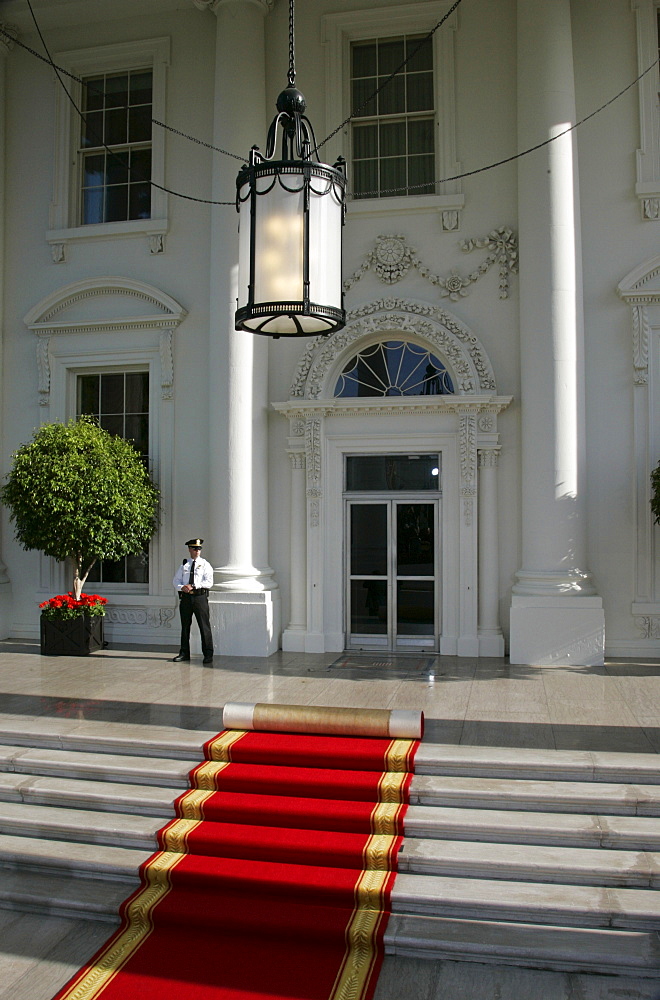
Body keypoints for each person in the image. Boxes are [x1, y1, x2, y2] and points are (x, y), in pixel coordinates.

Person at [172, 538, 214, 664]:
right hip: (186, 598)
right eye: (195, 549)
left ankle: (208, 654)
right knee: (185, 626)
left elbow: (209, 582)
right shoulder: (185, 565)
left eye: (199, 549)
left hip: (199, 597)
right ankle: (184, 653)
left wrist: (194, 586)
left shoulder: (205, 565)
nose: (197, 551)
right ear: (189, 549)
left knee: (204, 626)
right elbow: (176, 580)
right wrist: (182, 587)